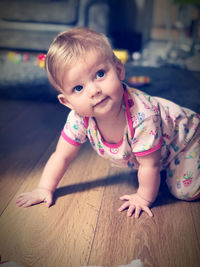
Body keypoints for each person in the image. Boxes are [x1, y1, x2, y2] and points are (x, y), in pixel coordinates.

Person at [16, 27, 200, 218]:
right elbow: (61, 155)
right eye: (78, 87)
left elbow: (149, 165)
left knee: (185, 191)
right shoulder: (80, 118)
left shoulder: (143, 117)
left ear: (119, 70)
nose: (94, 90)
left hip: (188, 140)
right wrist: (44, 188)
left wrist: (143, 197)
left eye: (100, 74)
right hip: (162, 152)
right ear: (67, 102)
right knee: (150, 169)